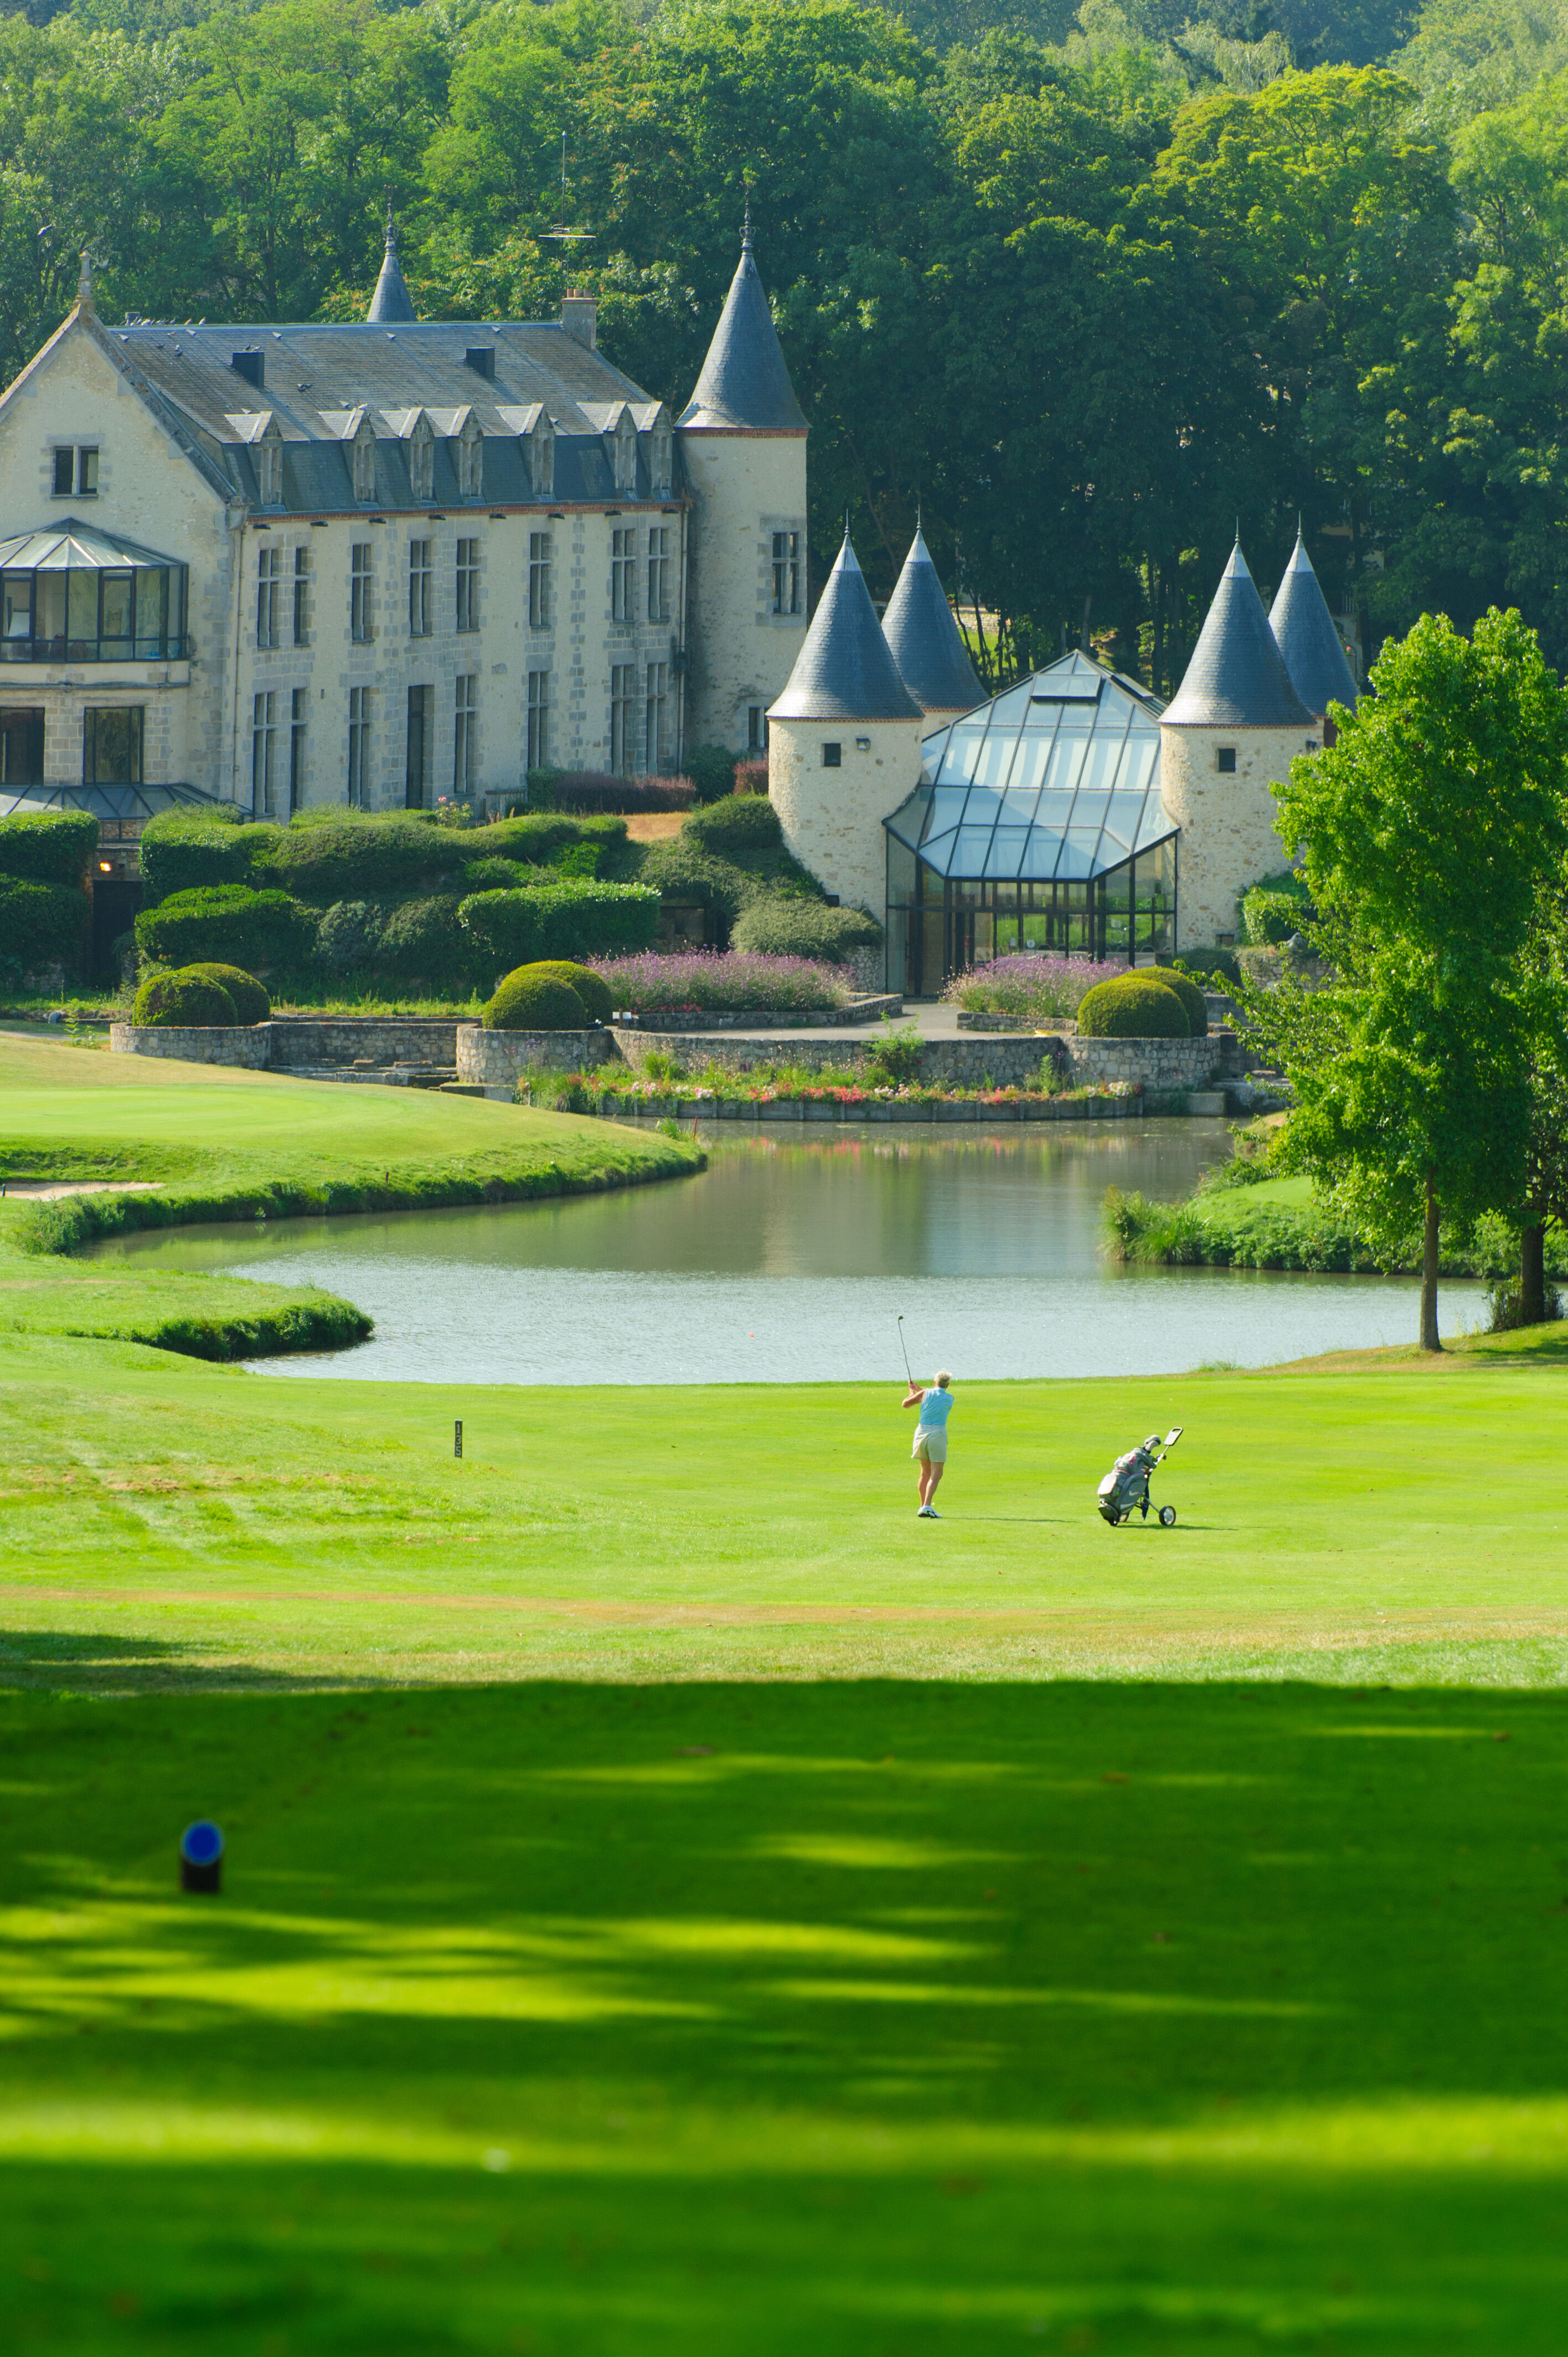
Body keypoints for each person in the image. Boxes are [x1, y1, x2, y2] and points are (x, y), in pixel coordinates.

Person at [903, 1370, 953, 1517]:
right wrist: (918, 1390)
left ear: (934, 1383)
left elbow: (906, 1404)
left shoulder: (925, 1393)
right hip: (937, 1434)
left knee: (925, 1473)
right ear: (948, 1385)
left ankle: (923, 1507)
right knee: (937, 1473)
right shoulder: (950, 1398)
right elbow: (933, 1396)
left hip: (921, 1433)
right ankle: (926, 1506)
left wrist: (913, 1392)